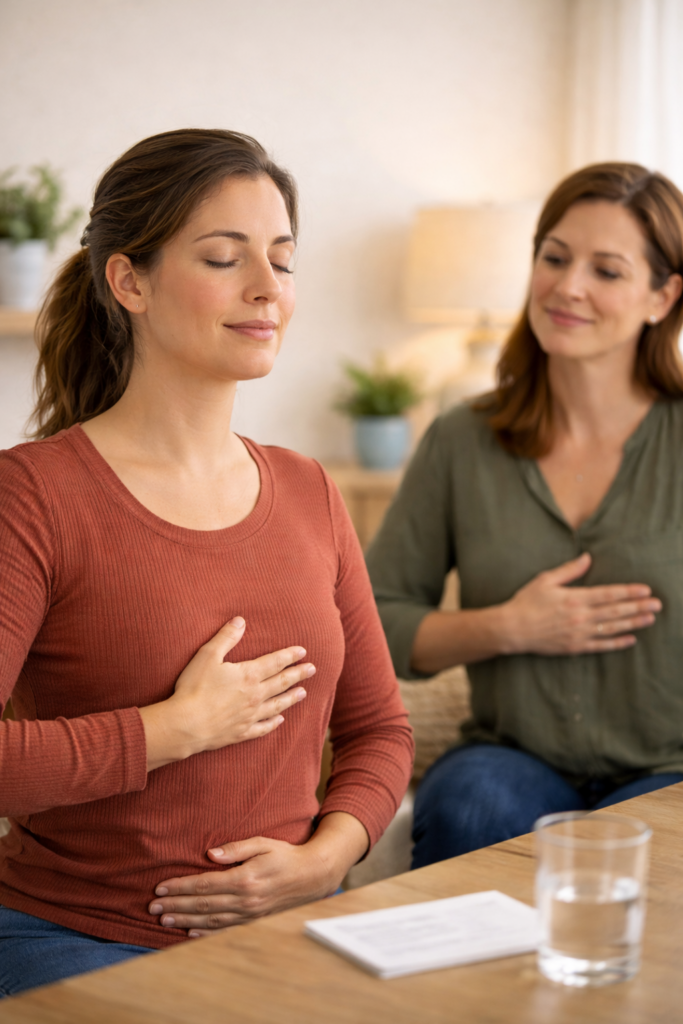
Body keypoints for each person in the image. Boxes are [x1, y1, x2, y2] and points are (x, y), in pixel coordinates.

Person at [0, 129, 413, 997]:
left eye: (283, 260)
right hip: (72, 935)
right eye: (225, 258)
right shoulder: (31, 497)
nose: (268, 290)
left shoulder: (309, 490)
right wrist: (172, 730)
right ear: (129, 281)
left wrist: (323, 858)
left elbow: (380, 730)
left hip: (298, 928)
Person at [366, 162, 683, 870]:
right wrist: (507, 628)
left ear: (662, 296)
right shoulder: (458, 438)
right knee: (468, 806)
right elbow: (372, 623)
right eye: (554, 258)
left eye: (606, 270)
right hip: (514, 762)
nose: (567, 287)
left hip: (672, 769)